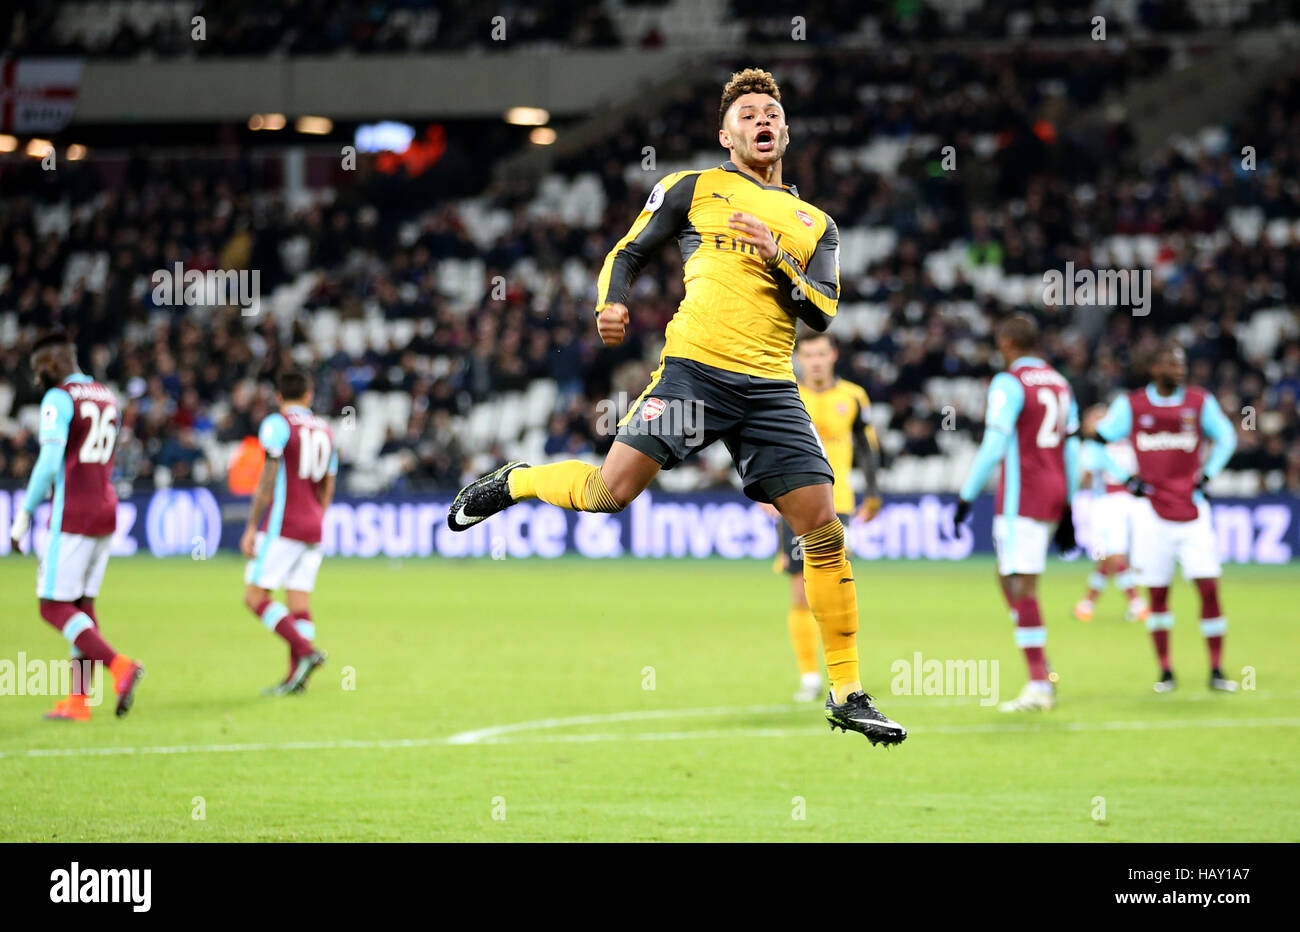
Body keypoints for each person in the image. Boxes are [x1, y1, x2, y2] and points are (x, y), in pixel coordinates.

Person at [448, 68, 906, 745]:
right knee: (609, 492)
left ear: (786, 131)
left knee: (824, 531)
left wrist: (778, 254)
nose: (762, 119)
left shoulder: (817, 225)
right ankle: (515, 481)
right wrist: (611, 302)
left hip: (770, 390)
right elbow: (627, 252)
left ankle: (847, 691)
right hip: (694, 373)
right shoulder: (693, 188)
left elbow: (825, 312)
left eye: (771, 112)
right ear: (727, 135)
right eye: (748, 112)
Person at [8, 331, 143, 721]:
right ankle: (78, 701)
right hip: (105, 509)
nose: (36, 380)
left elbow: (51, 463)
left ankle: (120, 666)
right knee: (82, 605)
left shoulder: (59, 398)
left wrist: (24, 514)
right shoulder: (106, 395)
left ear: (52, 363)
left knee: (52, 606)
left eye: (38, 369)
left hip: (73, 513)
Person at [1092, 343, 1238, 693]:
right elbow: (1095, 443)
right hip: (1151, 514)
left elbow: (1228, 437)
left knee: (1209, 588)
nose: (1178, 368)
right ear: (1152, 367)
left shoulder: (1200, 402)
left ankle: (1216, 669)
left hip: (1193, 509)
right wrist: (1127, 478)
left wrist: (1208, 474)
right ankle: (1166, 671)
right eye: (1170, 363)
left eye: (1181, 363)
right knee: (1157, 593)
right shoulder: (1132, 405)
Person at [954, 316, 1080, 712]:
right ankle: (1038, 653)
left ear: (1007, 342)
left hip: (1022, 496)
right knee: (1007, 576)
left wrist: (966, 494)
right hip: (1054, 491)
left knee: (1023, 585)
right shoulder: (1060, 383)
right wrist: (1071, 504)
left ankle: (1039, 683)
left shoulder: (1009, 383)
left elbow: (995, 444)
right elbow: (1072, 448)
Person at [764, 332, 881, 702]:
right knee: (801, 593)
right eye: (808, 355)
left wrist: (874, 492)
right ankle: (810, 676)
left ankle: (841, 676)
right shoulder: (786, 393)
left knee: (834, 591)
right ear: (799, 358)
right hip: (793, 501)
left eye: (820, 354)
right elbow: (764, 443)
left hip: (838, 504)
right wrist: (764, 490)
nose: (814, 361)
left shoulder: (854, 396)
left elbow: (866, 445)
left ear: (833, 355)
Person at [240, 369, 333, 695]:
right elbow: (328, 484)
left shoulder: (277, 425)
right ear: (309, 396)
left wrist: (252, 526)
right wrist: (318, 518)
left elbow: (268, 479)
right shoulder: (325, 430)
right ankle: (298, 679)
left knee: (254, 597)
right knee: (300, 605)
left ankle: (307, 653)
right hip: (314, 526)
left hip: (283, 525)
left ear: (279, 397)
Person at [1073, 405, 1147, 623]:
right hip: (1126, 500)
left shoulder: (1095, 445)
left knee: (1115, 556)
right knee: (1107, 557)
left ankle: (1137, 604)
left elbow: (1087, 475)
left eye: (1092, 419)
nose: (1088, 423)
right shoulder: (1126, 445)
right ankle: (1087, 604)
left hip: (1107, 502)